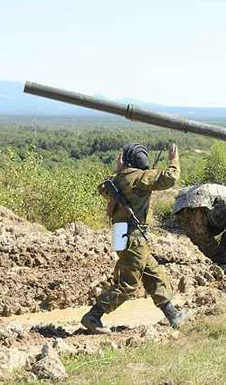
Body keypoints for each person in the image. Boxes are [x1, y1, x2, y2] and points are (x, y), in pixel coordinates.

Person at [81, 143, 189, 333]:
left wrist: (119, 170)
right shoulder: (140, 178)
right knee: (128, 285)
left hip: (120, 234)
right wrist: (174, 159)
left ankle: (173, 315)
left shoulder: (115, 180)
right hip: (134, 238)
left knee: (154, 275)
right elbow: (171, 178)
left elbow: (103, 189)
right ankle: (93, 316)